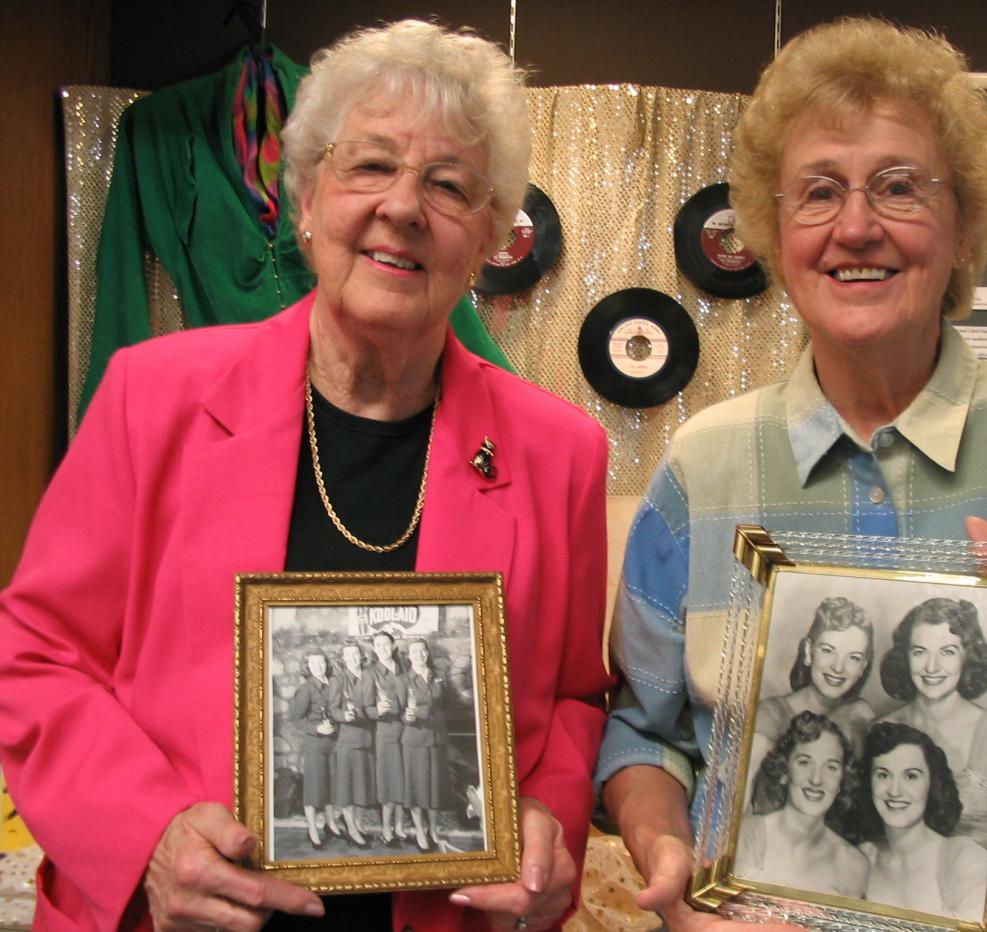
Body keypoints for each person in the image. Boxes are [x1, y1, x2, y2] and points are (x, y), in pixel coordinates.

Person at [596, 16, 987, 932]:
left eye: (898, 187)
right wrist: (668, 855)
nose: (856, 225)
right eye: (817, 192)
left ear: (965, 226)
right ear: (773, 229)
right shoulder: (703, 465)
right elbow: (643, 735)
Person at [0, 19, 612, 932]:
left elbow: (571, 697)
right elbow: (36, 652)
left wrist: (548, 823)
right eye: (369, 166)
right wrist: (149, 838)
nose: (403, 206)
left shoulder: (560, 452)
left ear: (488, 234)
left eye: (448, 185)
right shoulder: (150, 398)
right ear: (307, 196)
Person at [876, 598, 987, 848]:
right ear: (905, 656)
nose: (931, 667)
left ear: (967, 656)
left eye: (947, 652)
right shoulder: (879, 729)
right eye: (920, 652)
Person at [852, 722, 987, 922]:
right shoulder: (863, 858)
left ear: (932, 784)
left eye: (911, 776)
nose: (895, 791)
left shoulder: (963, 859)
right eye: (883, 775)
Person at [733, 712, 867, 898]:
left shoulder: (853, 865)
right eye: (805, 762)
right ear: (785, 769)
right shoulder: (744, 836)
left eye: (831, 767)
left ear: (842, 780)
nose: (816, 779)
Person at [751, 596, 875, 773]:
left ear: (863, 666)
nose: (838, 667)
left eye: (853, 658)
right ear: (809, 651)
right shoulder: (770, 717)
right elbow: (742, 796)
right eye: (828, 650)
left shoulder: (860, 715)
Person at [288, 648, 344, 850]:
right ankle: (312, 830)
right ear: (307, 667)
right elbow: (295, 719)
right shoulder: (306, 688)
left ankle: (331, 824)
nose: (318, 667)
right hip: (315, 745)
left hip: (333, 743)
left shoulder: (333, 684)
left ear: (327, 665)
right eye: (314, 664)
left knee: (330, 785)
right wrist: (316, 728)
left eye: (322, 663)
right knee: (313, 789)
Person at [400, 636, 451, 851]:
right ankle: (420, 830)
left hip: (436, 739)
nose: (419, 655)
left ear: (427, 653)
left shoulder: (439, 677)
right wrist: (411, 716)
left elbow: (449, 706)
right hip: (415, 740)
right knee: (417, 787)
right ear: (409, 656)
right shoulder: (403, 680)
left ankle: (433, 828)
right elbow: (399, 712)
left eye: (422, 651)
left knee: (434, 787)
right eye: (414, 652)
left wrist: (439, 719)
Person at [330, 641, 377, 849]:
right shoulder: (338, 680)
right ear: (342, 658)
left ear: (362, 656)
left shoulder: (369, 676)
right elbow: (332, 709)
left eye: (355, 654)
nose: (352, 658)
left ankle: (358, 823)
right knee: (348, 789)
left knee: (361, 787)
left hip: (367, 739)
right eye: (347, 655)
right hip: (347, 741)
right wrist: (343, 716)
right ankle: (351, 828)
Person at [368, 630, 409, 847]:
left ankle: (400, 826)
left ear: (393, 646)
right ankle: (386, 829)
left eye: (386, 644)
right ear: (374, 649)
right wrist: (376, 709)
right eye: (378, 645)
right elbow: (365, 707)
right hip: (385, 732)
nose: (383, 648)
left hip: (406, 730)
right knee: (388, 782)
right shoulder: (371, 673)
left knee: (403, 780)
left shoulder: (403, 670)